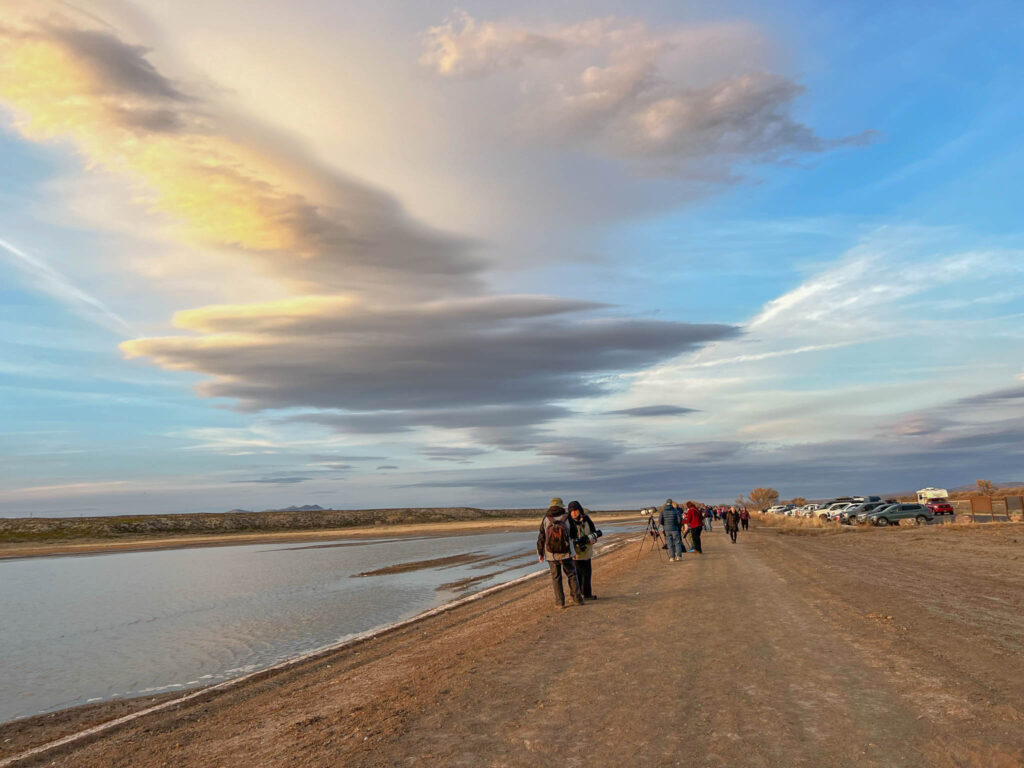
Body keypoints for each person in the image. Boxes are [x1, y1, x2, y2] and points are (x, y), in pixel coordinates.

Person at [537, 497, 584, 608]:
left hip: (551, 554)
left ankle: (560, 603)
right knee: (572, 575)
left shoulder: (546, 518)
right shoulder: (567, 518)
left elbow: (541, 537)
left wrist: (540, 553)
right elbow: (573, 535)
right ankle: (577, 599)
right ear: (561, 506)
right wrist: (575, 550)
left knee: (556, 578)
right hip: (566, 553)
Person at [568, 501, 599, 598]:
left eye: (575, 510)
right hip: (575, 554)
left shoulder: (586, 519)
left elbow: (594, 532)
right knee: (576, 575)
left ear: (579, 510)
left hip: (587, 552)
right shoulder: (568, 522)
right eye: (571, 511)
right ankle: (577, 595)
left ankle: (587, 594)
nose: (573, 513)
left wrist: (592, 540)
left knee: (587, 574)